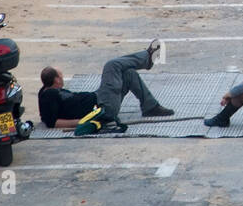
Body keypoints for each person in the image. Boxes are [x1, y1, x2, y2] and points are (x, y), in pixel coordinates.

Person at [38, 40, 173, 135]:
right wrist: (81, 122)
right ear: (56, 80)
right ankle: (146, 59)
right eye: (61, 76)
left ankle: (150, 107)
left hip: (101, 99)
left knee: (128, 73)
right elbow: (52, 123)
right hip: (103, 108)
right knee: (111, 65)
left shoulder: (47, 91)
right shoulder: (49, 95)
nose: (62, 78)